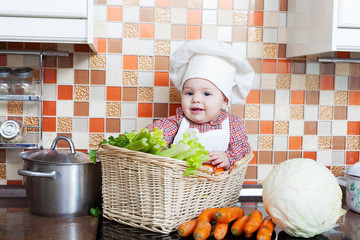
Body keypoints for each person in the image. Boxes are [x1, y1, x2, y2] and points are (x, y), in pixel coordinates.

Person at [146, 40, 254, 171]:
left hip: (217, 187)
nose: (196, 99)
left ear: (224, 101)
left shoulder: (232, 124)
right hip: (179, 187)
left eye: (206, 94)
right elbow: (154, 135)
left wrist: (228, 158)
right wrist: (147, 136)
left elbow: (242, 148)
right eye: (189, 93)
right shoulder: (177, 122)